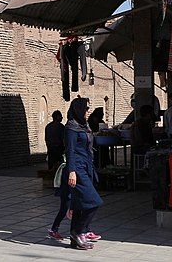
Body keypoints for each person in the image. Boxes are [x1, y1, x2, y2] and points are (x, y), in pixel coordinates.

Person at [65, 97, 103, 250]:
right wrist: (72, 171)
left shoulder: (83, 125)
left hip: (87, 167)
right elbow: (70, 151)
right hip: (78, 169)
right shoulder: (71, 128)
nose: (89, 112)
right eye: (86, 109)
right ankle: (80, 231)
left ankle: (75, 237)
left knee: (79, 204)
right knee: (94, 202)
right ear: (79, 110)